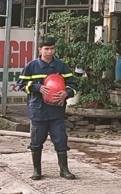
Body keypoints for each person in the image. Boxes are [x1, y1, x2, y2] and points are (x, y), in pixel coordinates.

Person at [16, 36, 78, 181]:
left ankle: (64, 170)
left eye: (52, 48)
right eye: (46, 49)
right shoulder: (31, 66)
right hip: (38, 111)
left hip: (57, 111)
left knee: (61, 140)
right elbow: (20, 84)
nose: (50, 52)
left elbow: (73, 85)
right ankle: (37, 171)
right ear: (40, 49)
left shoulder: (61, 66)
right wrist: (36, 87)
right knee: (36, 141)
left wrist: (66, 93)